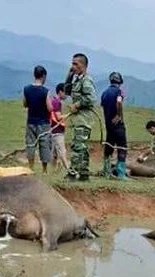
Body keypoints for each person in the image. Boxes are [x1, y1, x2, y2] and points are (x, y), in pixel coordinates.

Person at [65, 53, 98, 181]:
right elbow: (67, 91)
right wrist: (69, 76)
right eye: (72, 63)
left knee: (78, 147)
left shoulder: (86, 80)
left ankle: (72, 174)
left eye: (75, 64)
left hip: (84, 119)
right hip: (79, 119)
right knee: (82, 148)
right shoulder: (77, 79)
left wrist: (77, 105)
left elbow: (91, 98)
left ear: (83, 66)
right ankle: (84, 175)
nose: (73, 66)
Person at [23, 65, 53, 173]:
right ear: (43, 76)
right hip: (43, 123)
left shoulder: (26, 89)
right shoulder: (46, 91)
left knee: (30, 144)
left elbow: (25, 104)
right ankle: (44, 169)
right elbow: (50, 108)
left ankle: (31, 167)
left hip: (31, 121)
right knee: (44, 145)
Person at [100, 71, 129, 180]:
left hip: (108, 125)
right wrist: (119, 115)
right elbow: (119, 102)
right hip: (118, 125)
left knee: (109, 146)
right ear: (120, 81)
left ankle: (106, 172)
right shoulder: (120, 91)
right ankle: (121, 174)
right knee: (122, 147)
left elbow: (103, 107)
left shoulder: (104, 92)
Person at [50, 83, 70, 171]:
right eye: (65, 92)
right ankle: (69, 170)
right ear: (60, 92)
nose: (67, 95)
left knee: (54, 153)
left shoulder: (54, 101)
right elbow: (58, 117)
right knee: (62, 152)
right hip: (57, 131)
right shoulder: (57, 102)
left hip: (52, 130)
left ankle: (53, 172)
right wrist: (70, 114)